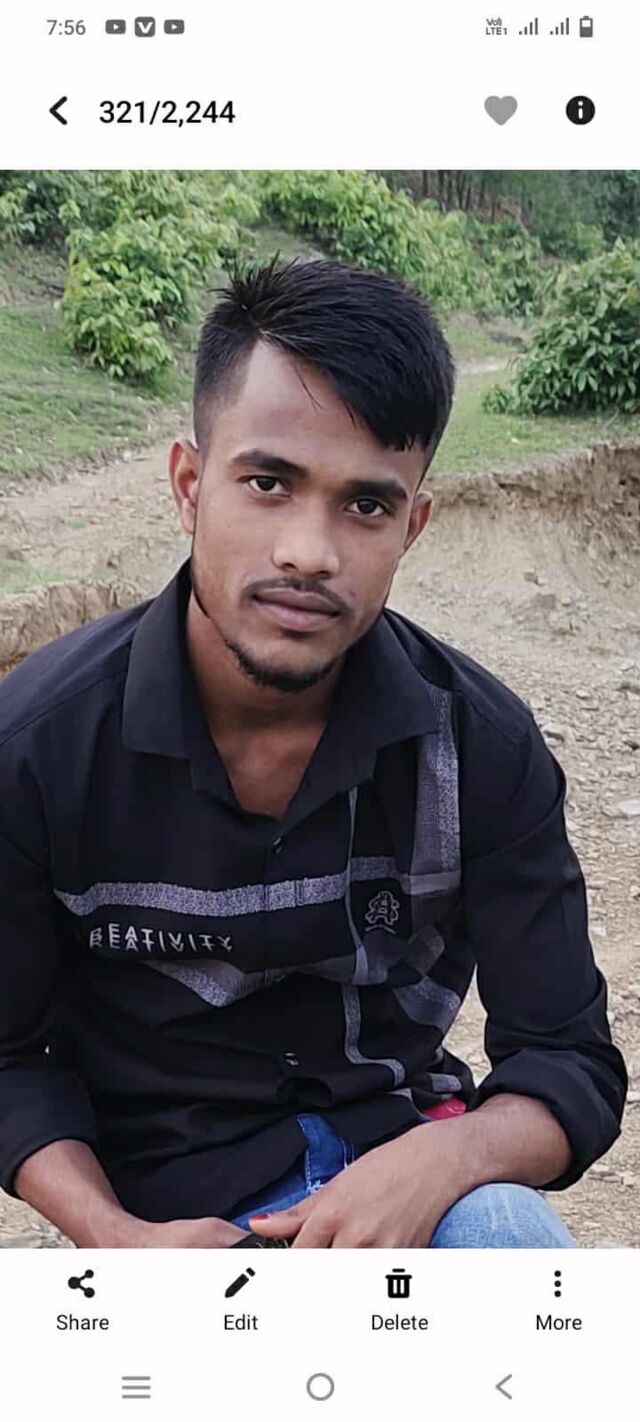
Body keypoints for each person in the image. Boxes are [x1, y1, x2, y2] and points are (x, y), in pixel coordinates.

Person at [0, 258, 626, 1250]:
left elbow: (569, 1061)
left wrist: (446, 1157)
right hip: (172, 1212)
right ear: (189, 486)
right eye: (267, 483)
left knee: (507, 1237)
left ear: (413, 527)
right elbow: (8, 1057)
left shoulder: (480, 745)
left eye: (365, 506)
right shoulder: (35, 747)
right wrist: (118, 1240)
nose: (309, 551)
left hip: (400, 1174)